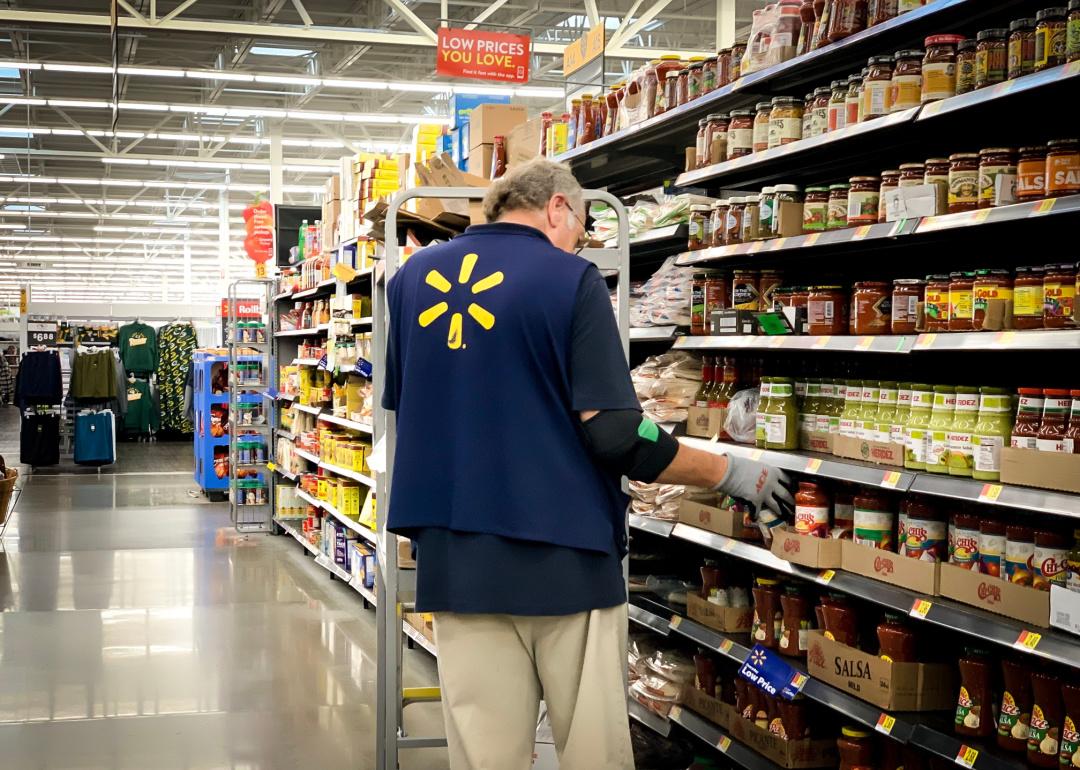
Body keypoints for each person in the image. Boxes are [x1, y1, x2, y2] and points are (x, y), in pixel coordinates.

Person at [381, 157, 793, 770]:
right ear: (557, 208)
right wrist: (730, 472)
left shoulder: (412, 282)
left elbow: (407, 406)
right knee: (590, 751)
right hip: (565, 560)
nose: (582, 241)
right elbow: (616, 433)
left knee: (483, 755)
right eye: (583, 226)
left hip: (457, 562)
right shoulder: (569, 281)